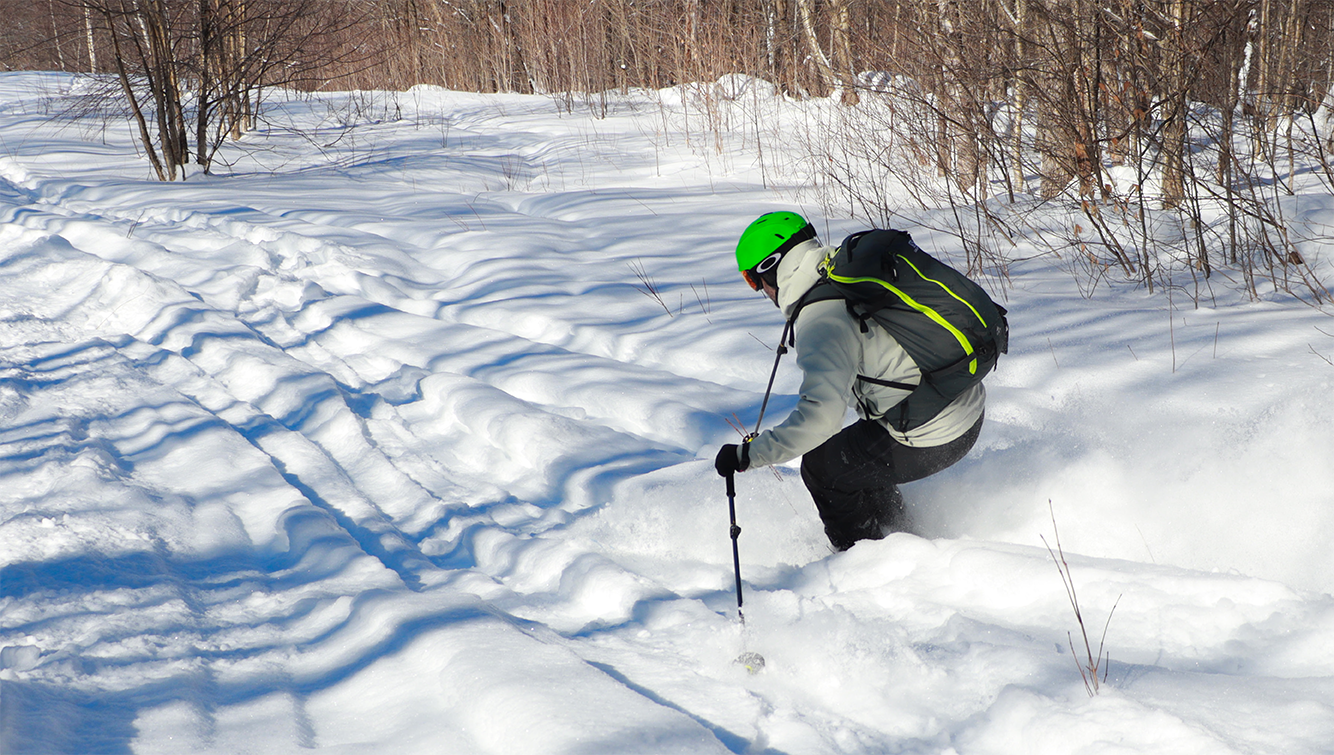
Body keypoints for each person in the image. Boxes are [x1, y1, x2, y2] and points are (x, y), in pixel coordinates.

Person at [714, 211, 986, 551]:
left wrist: (748, 456)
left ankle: (865, 562)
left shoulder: (820, 320)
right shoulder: (845, 270)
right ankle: (900, 536)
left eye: (754, 280)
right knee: (852, 455)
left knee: (821, 469)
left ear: (772, 266)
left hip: (936, 434)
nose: (760, 290)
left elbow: (820, 419)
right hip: (964, 402)